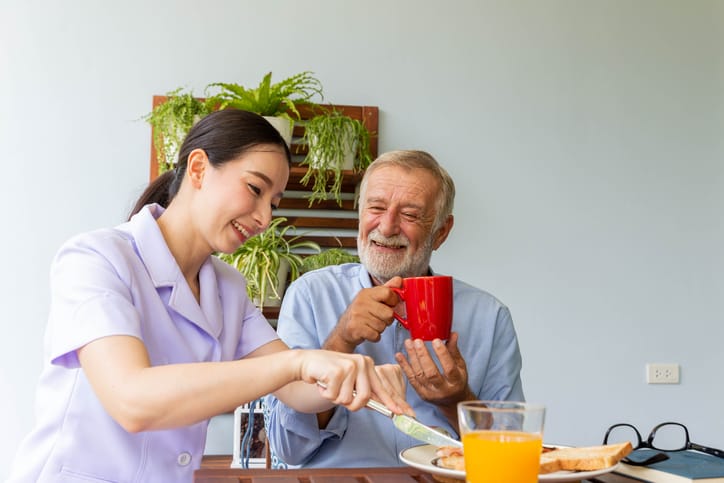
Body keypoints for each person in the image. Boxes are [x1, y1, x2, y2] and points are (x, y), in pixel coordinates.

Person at [7, 109, 410, 482]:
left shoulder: (227, 287)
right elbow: (132, 400)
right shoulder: (96, 258)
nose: (265, 218)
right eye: (254, 189)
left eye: (273, 203)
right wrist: (298, 362)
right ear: (198, 168)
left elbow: (296, 391)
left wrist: (355, 374)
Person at [264, 150, 525, 467]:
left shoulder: (489, 316)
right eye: (376, 208)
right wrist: (341, 341)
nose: (387, 227)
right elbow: (288, 448)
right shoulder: (310, 295)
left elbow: (507, 458)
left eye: (410, 215)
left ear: (440, 232)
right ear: (360, 215)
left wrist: (455, 401)